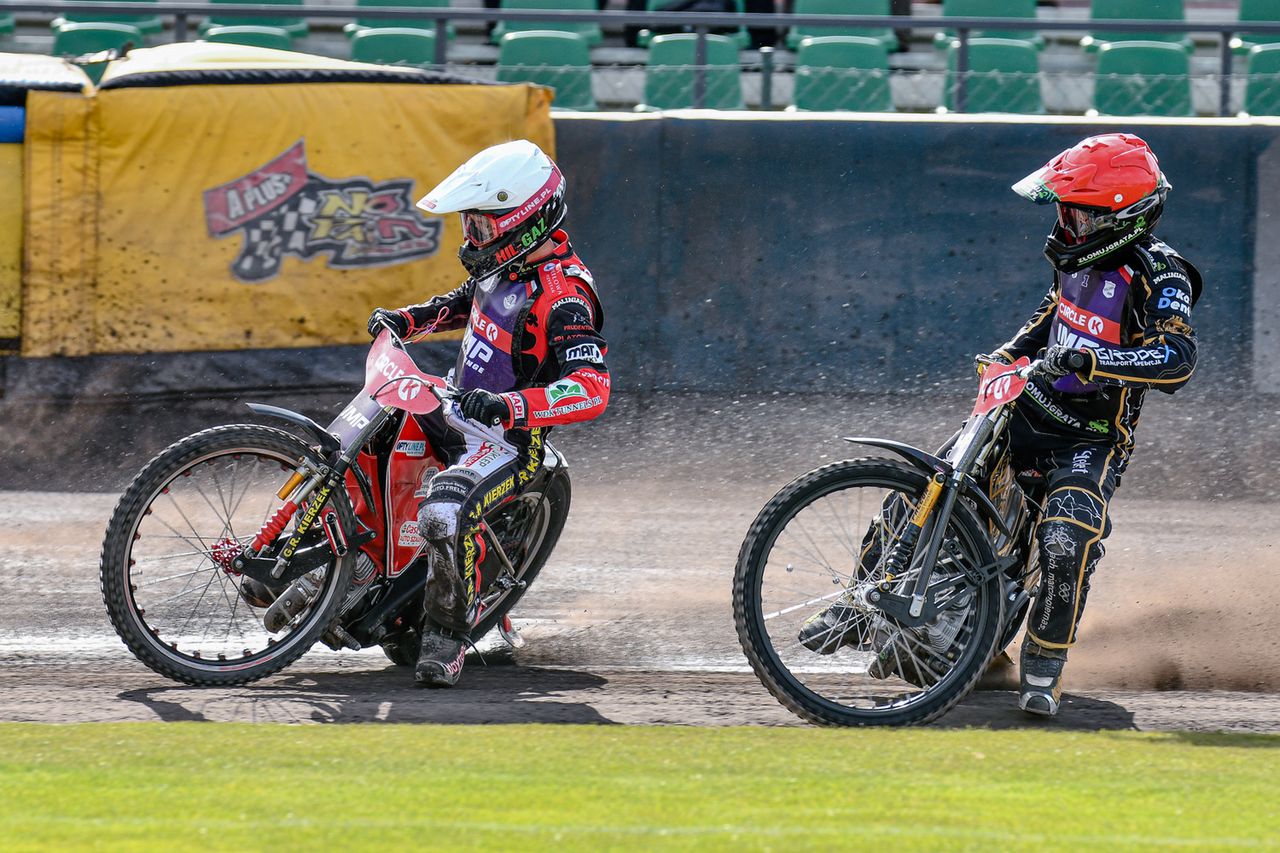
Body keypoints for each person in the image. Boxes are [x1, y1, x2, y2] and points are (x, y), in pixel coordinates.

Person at [367, 139, 609, 688]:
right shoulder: (506, 264)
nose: (471, 238)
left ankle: (447, 638)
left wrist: (509, 405)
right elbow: (465, 301)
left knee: (443, 511)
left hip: (507, 442)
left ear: (524, 221)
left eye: (480, 226)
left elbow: (592, 388)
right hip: (456, 407)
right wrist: (408, 320)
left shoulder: (565, 297)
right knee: (376, 425)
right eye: (469, 225)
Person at [987, 133, 1200, 715]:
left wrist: (1093, 361)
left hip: (1091, 439)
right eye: (1064, 210)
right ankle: (862, 596)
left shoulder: (1162, 274)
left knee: (1067, 533)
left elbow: (1178, 359)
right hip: (1025, 406)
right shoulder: (1074, 261)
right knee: (938, 477)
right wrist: (1010, 353)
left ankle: (1042, 665)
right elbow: (1052, 313)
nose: (1066, 224)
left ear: (1121, 218)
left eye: (1077, 214)